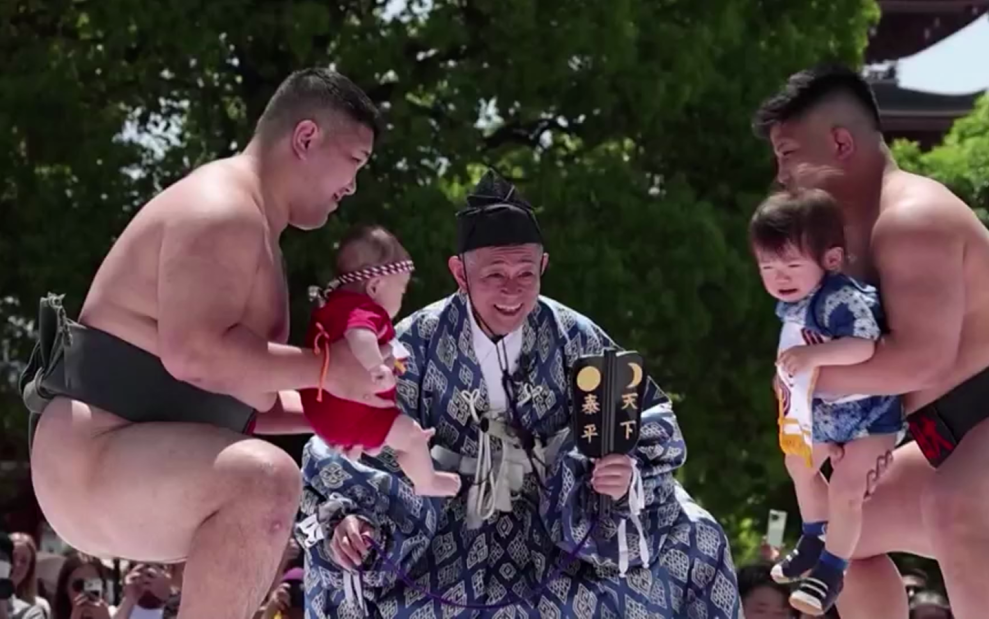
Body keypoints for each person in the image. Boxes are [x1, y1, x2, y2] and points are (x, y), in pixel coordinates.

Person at [22, 67, 391, 619]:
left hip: (143, 454)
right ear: (306, 138)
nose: (353, 187)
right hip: (94, 454)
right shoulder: (222, 210)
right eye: (354, 162)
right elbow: (194, 354)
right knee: (265, 481)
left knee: (263, 484)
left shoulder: (259, 234)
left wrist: (352, 408)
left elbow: (246, 397)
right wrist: (327, 368)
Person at [293, 170, 742, 618]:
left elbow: (650, 416)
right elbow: (346, 435)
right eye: (495, 273)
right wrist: (348, 515)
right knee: (344, 558)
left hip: (562, 518)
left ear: (544, 266)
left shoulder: (575, 337)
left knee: (699, 536)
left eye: (526, 272)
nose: (513, 290)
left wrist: (621, 469)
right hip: (444, 526)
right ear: (460, 272)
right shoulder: (413, 343)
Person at [752, 63, 989, 619]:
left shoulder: (913, 218)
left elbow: (921, 359)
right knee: (848, 534)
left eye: (789, 154)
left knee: (952, 504)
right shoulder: (844, 252)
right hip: (961, 443)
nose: (781, 175)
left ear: (841, 142)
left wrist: (805, 376)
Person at [750, 189, 903, 614]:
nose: (779, 276)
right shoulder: (791, 304)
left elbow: (864, 346)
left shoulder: (841, 296)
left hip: (871, 415)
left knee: (846, 487)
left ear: (830, 260)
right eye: (768, 266)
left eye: (792, 265)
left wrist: (813, 357)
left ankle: (832, 572)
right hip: (823, 414)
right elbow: (793, 354)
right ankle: (815, 536)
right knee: (797, 462)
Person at [299, 224, 461, 496]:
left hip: (321, 411)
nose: (402, 298)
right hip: (352, 410)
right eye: (402, 290)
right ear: (375, 286)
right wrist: (375, 365)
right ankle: (426, 482)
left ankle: (415, 467)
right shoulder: (364, 310)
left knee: (403, 438)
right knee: (412, 437)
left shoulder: (333, 307)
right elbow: (358, 334)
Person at [9, 533, 51, 618]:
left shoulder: (38, 607)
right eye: (12, 556)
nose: (17, 564)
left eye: (23, 561)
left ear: (29, 570)